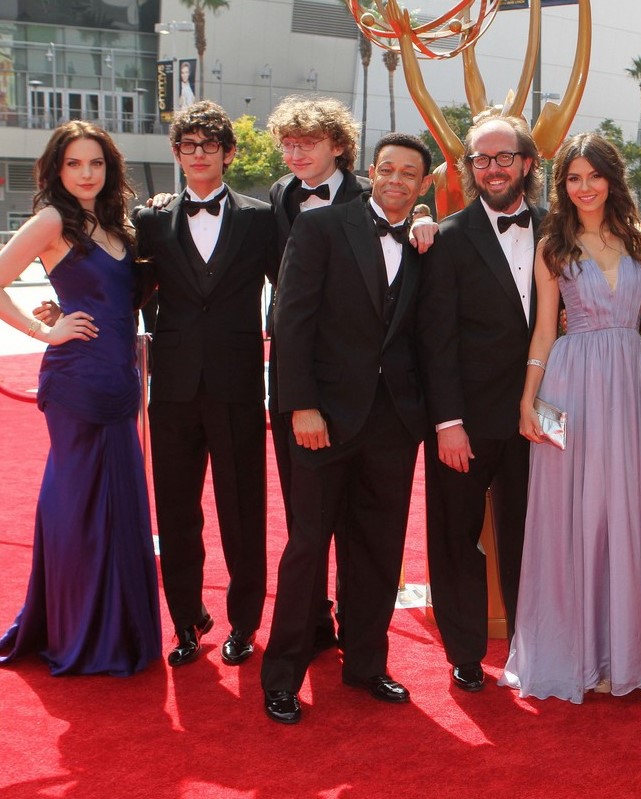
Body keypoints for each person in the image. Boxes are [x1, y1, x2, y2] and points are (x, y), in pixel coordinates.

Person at [260, 133, 433, 724]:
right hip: (322, 420)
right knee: (307, 547)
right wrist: (300, 406)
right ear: (371, 171)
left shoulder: (425, 240)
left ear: (422, 185)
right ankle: (281, 676)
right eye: (387, 168)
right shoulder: (321, 228)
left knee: (378, 550)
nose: (395, 180)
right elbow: (291, 320)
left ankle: (365, 663)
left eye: (409, 174)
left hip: (391, 424)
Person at [501, 132, 641, 703]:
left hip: (627, 387)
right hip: (567, 385)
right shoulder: (553, 244)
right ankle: (572, 653)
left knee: (621, 511)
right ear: (562, 185)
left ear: (611, 179)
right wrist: (529, 401)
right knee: (566, 513)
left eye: (593, 176)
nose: (584, 187)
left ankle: (620, 655)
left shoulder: (637, 237)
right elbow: (545, 330)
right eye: (573, 178)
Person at [0, 121, 160, 675]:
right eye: (74, 164)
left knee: (118, 502)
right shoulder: (51, 220)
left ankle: (118, 626)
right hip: (76, 381)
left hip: (120, 379)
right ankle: (73, 628)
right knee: (76, 504)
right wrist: (44, 331)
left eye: (95, 163)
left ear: (109, 167)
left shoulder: (118, 223)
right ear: (57, 169)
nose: (86, 173)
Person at [132, 101, 276, 669]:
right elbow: (132, 292)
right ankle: (186, 620)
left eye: (209, 146)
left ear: (228, 154)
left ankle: (244, 623)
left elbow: (290, 289)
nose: (198, 155)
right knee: (176, 511)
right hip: (171, 389)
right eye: (188, 146)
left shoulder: (261, 218)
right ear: (176, 154)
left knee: (243, 511)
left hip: (239, 384)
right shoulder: (150, 220)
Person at [419, 114, 545, 693]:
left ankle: (533, 647)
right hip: (464, 423)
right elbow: (435, 338)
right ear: (469, 169)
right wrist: (447, 422)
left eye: (503, 157)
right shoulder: (445, 237)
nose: (492, 169)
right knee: (455, 538)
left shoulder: (559, 229)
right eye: (481, 159)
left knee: (535, 539)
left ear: (525, 163)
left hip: (539, 421)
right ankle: (465, 654)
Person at [264, 96, 371, 653]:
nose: (295, 152)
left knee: (358, 516)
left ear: (338, 145)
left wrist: (424, 220)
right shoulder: (282, 193)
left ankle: (358, 629)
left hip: (356, 372)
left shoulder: (369, 197)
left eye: (307, 142)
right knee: (305, 513)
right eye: (288, 143)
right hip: (292, 368)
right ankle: (312, 623)